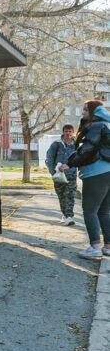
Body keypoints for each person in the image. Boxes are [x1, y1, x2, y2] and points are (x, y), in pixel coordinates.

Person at [67, 100, 110, 260]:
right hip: (108, 172)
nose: (83, 112)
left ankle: (94, 247)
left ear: (94, 111)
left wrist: (69, 163)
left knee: (90, 210)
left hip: (96, 172)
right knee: (104, 211)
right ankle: (108, 246)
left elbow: (88, 148)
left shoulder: (96, 125)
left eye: (86, 109)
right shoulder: (107, 125)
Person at [45, 124, 77, 225]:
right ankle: (65, 214)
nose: (68, 133)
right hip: (59, 176)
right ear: (63, 132)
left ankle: (69, 216)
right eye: (66, 131)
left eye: (70, 131)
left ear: (73, 133)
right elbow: (49, 159)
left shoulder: (76, 145)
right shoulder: (56, 144)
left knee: (70, 196)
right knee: (62, 197)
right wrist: (53, 173)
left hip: (71, 175)